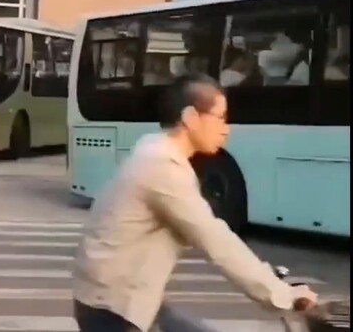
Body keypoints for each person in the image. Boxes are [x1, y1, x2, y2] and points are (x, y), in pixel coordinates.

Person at [72, 74, 318, 332]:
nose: (226, 128)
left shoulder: (153, 148)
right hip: (114, 311)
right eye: (220, 117)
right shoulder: (162, 167)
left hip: (118, 299)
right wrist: (281, 295)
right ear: (190, 117)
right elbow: (216, 241)